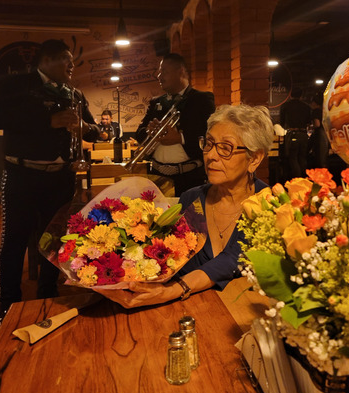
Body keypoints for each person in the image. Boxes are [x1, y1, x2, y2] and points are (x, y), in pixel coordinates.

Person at [95, 104, 274, 308]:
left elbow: (233, 259)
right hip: (187, 311)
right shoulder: (192, 200)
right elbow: (169, 258)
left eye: (226, 148)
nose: (211, 155)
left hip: (244, 314)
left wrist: (174, 290)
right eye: (209, 144)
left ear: (254, 159)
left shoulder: (269, 204)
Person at [0, 39, 99, 326]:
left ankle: (48, 293)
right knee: (14, 240)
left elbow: (92, 130)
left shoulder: (74, 93)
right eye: (66, 59)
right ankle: (8, 303)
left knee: (53, 239)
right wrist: (48, 120)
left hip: (62, 176)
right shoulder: (16, 84)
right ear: (47, 60)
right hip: (22, 174)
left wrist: (86, 128)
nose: (72, 65)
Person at [135, 53, 215, 196]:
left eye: (164, 71)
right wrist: (149, 131)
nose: (159, 76)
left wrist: (180, 138)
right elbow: (139, 133)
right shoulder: (156, 102)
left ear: (181, 72)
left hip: (189, 178)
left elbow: (210, 136)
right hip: (157, 176)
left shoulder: (201, 99)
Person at [280, 87, 312, 179]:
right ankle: (304, 178)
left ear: (290, 95)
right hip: (303, 134)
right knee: (302, 157)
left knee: (293, 158)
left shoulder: (285, 106)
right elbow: (309, 122)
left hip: (292, 134)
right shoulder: (306, 107)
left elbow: (282, 122)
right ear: (301, 95)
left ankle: (298, 179)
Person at [308, 93, 330, 169]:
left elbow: (317, 124)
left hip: (320, 135)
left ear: (315, 103)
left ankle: (320, 173)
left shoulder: (316, 111)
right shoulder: (325, 111)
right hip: (326, 134)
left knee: (320, 157)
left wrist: (312, 127)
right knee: (324, 157)